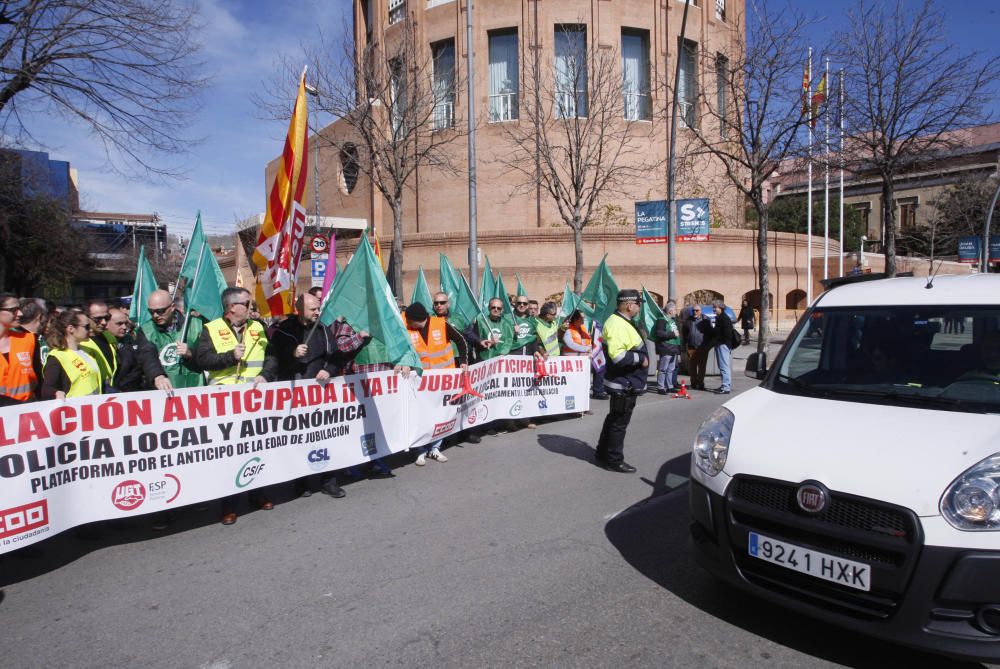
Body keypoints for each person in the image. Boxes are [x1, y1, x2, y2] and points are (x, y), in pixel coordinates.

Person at [195, 288, 279, 525]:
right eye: (246, 303)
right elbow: (202, 359)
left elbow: (271, 356)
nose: (251, 307)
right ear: (232, 307)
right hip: (225, 404)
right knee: (230, 455)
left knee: (256, 448)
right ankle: (229, 505)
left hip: (254, 400)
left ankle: (258, 494)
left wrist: (265, 375)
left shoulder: (257, 327)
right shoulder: (211, 329)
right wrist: (230, 357)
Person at [272, 292, 368, 497]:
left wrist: (329, 370)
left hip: (322, 393)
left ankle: (329, 480)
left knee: (326, 436)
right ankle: (301, 482)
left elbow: (337, 357)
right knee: (300, 438)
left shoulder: (324, 330)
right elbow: (275, 361)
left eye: (318, 308)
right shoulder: (284, 331)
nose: (317, 312)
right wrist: (292, 354)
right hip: (296, 393)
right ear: (300, 309)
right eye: (313, 309)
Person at [403, 302, 468, 464]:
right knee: (421, 416)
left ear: (418, 319)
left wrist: (464, 361)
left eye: (410, 320)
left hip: (443, 380)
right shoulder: (407, 328)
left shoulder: (441, 324)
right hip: (420, 382)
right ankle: (420, 450)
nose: (408, 323)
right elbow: (403, 349)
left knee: (441, 414)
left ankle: (435, 448)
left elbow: (461, 340)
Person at [594, 289, 648, 473]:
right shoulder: (617, 324)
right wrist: (641, 359)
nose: (639, 308)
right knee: (619, 423)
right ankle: (614, 460)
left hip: (625, 381)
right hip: (624, 383)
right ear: (629, 305)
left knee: (613, 419)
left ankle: (602, 453)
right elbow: (618, 357)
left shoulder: (621, 321)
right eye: (638, 304)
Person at [433, 291, 487, 443]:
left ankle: (468, 432)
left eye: (442, 303)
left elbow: (468, 334)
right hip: (443, 365)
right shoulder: (430, 320)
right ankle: (448, 434)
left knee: (466, 397)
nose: (439, 306)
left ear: (448, 304)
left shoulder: (457, 318)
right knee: (448, 399)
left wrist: (479, 341)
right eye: (436, 303)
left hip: (462, 362)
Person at [136, 290, 205, 389]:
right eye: (151, 312)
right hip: (166, 390)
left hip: (195, 386)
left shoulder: (195, 324)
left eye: (160, 311)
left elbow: (207, 355)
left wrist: (190, 353)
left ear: (172, 307)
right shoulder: (146, 330)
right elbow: (147, 355)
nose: (155, 315)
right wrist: (157, 375)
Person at [41, 309, 105, 399]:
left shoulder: (87, 351)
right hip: (75, 409)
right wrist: (56, 393)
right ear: (71, 329)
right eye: (86, 327)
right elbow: (47, 389)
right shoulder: (57, 357)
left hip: (93, 408)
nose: (90, 329)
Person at [0, 293, 41, 405]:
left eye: (19, 309)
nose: (20, 313)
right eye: (14, 309)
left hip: (26, 415)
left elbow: (39, 381)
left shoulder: (29, 340)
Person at [81, 300, 117, 392]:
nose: (104, 322)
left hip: (111, 392)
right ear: (86, 318)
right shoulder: (80, 344)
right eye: (98, 319)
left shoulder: (109, 337)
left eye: (107, 317)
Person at [652, 302, 681, 394]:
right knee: (663, 369)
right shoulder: (661, 320)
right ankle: (661, 387)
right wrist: (673, 334)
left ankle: (670, 386)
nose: (676, 312)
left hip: (673, 348)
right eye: (675, 310)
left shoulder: (672, 320)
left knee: (671, 369)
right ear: (670, 311)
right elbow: (659, 334)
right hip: (666, 348)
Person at [683, 305, 712, 391]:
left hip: (703, 347)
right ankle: (693, 383)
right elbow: (684, 333)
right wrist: (684, 344)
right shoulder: (688, 320)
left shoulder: (706, 320)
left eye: (697, 310)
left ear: (700, 311)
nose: (695, 312)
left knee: (702, 366)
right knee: (692, 366)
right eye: (693, 310)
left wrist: (708, 345)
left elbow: (710, 333)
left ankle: (701, 383)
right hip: (691, 346)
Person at [711, 299, 736, 394]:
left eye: (715, 307)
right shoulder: (719, 317)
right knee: (722, 366)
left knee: (724, 366)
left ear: (720, 308)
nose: (714, 309)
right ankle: (724, 385)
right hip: (720, 344)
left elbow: (726, 334)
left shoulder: (724, 318)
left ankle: (726, 387)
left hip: (723, 345)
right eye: (713, 307)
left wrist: (718, 340)